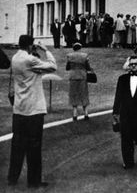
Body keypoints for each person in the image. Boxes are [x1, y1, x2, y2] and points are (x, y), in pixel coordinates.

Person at [7, 35, 57, 188]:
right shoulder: (30, 60)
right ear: (30, 46)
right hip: (33, 109)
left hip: (20, 108)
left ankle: (12, 177)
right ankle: (34, 180)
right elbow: (52, 66)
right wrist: (45, 50)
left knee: (17, 145)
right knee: (34, 146)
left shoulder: (15, 58)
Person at [66, 42, 91, 121]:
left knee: (74, 94)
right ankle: (86, 113)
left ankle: (74, 114)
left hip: (73, 76)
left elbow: (67, 67)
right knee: (84, 94)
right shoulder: (85, 56)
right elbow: (88, 67)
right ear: (80, 48)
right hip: (82, 76)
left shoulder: (69, 56)